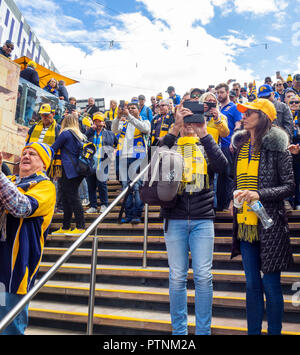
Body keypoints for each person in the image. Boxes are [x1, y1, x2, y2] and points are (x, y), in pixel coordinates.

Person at [161, 103, 227, 335]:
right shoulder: (171, 146)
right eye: (185, 121)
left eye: (193, 119)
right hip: (175, 219)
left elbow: (223, 166)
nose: (190, 125)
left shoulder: (205, 144)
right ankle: (179, 333)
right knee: (177, 277)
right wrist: (175, 127)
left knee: (203, 276)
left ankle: (203, 332)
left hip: (202, 219)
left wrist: (205, 132)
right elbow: (154, 161)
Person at [229, 98, 294, 335]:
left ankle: (274, 332)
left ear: (263, 116)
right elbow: (237, 181)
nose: (243, 116)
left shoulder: (278, 147)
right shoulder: (241, 146)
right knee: (252, 286)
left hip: (270, 225)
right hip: (245, 225)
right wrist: (232, 198)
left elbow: (289, 186)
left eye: (249, 113)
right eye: (243, 113)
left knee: (271, 285)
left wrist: (259, 194)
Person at [0, 142, 56, 335]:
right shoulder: (10, 179)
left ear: (44, 163)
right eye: (24, 152)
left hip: (14, 271)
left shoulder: (45, 186)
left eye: (33, 154)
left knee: (9, 327)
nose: (26, 156)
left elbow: (21, 207)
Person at [112, 102, 151, 224]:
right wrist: (118, 117)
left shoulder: (145, 122)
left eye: (133, 108)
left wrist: (129, 116)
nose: (130, 110)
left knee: (137, 186)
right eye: (128, 108)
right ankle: (128, 214)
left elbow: (144, 129)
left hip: (139, 157)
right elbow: (113, 129)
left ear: (139, 110)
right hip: (124, 157)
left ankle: (137, 214)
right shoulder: (124, 122)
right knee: (125, 187)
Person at [51, 113, 86, 236]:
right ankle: (65, 227)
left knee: (73, 197)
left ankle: (81, 227)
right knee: (66, 198)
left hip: (68, 170)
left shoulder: (65, 134)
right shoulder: (81, 136)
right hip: (78, 170)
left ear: (65, 122)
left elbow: (53, 148)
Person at [215, 83, 242, 211]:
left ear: (227, 92)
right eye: (217, 93)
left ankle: (229, 204)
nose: (219, 95)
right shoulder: (217, 109)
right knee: (219, 177)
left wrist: (233, 141)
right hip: (217, 147)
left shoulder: (234, 107)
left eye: (221, 92)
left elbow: (238, 125)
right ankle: (220, 205)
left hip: (228, 146)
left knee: (229, 175)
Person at [85, 112, 117, 213]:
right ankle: (93, 206)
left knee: (102, 184)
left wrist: (114, 151)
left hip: (103, 161)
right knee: (91, 184)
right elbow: (83, 140)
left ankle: (104, 204)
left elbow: (117, 143)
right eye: (96, 121)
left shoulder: (109, 133)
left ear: (104, 123)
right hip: (90, 162)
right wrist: (91, 129)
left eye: (100, 121)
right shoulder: (89, 132)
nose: (98, 123)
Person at [287, 94, 300, 209]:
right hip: (288, 151)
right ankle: (291, 201)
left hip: (298, 150)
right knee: (290, 178)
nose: (294, 104)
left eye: (296, 102)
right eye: (291, 102)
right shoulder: (285, 116)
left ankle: (298, 202)